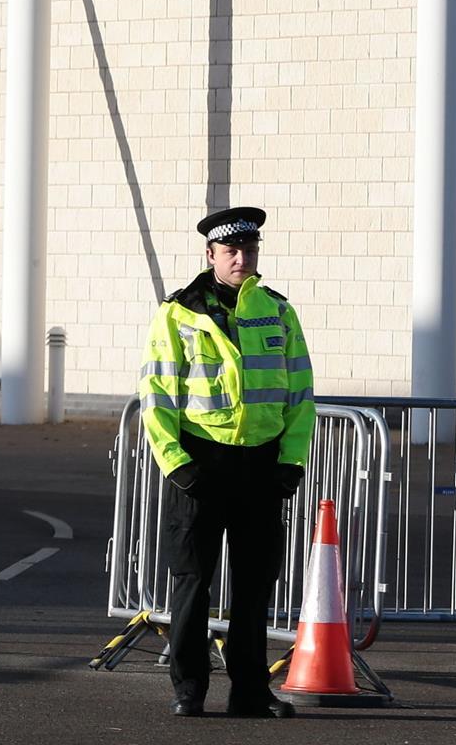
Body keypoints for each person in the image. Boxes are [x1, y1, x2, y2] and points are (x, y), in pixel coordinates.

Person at [139, 205, 315, 719]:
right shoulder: (178, 312)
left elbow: (300, 392)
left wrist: (291, 459)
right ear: (211, 254)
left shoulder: (278, 311)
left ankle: (250, 693)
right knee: (193, 580)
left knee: (255, 584)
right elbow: (156, 395)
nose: (242, 257)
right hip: (201, 464)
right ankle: (189, 690)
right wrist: (175, 462)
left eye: (249, 249)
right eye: (231, 250)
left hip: (260, 465)